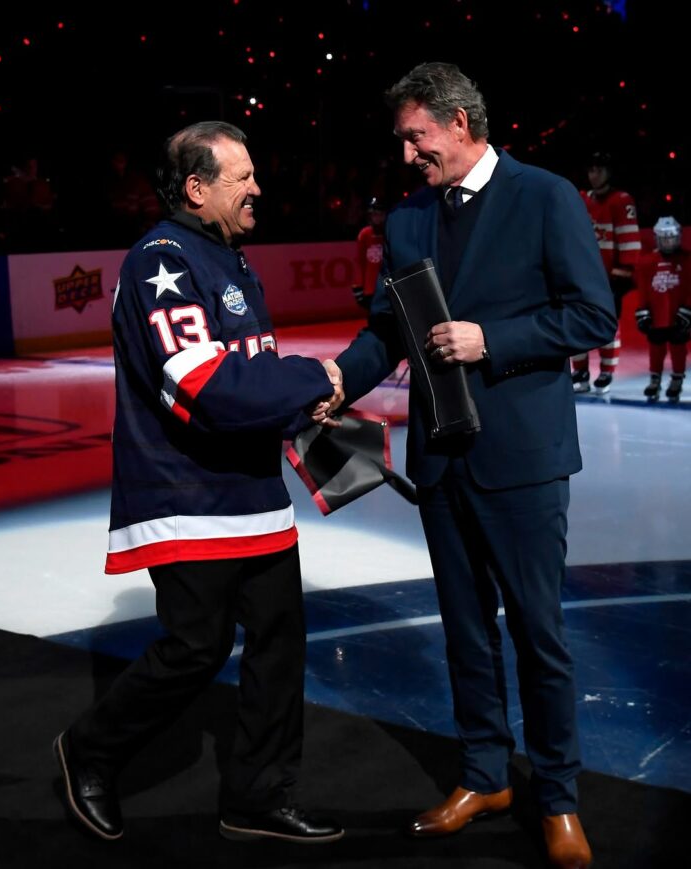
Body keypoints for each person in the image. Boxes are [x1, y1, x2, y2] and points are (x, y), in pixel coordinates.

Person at [330, 62, 616, 869]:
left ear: (460, 124)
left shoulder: (545, 195)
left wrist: (493, 338)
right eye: (402, 141)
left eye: (416, 137)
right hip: (441, 459)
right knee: (465, 631)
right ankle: (485, 773)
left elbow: (592, 312)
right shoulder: (409, 217)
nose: (408, 154)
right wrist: (338, 379)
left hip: (522, 460)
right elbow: (388, 327)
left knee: (538, 634)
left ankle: (557, 797)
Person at [53, 121, 344, 845]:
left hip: (251, 496)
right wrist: (317, 379)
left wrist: (302, 417)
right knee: (195, 647)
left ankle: (257, 795)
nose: (257, 188)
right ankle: (89, 747)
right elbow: (204, 384)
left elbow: (249, 374)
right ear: (196, 187)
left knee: (280, 643)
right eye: (241, 177)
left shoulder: (228, 256)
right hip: (183, 499)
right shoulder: (163, 259)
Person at [571, 152, 642, 394]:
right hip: (582, 275)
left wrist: (622, 274)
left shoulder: (621, 200)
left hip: (609, 278)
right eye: (591, 170)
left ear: (609, 172)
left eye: (599, 170)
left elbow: (629, 239)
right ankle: (580, 371)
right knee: (576, 321)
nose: (594, 175)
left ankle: (606, 372)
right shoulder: (582, 198)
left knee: (607, 324)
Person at [635, 216, 691, 401]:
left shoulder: (687, 260)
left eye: (671, 237)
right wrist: (642, 311)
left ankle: (677, 379)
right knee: (656, 347)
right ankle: (655, 379)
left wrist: (688, 309)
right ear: (657, 238)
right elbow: (643, 289)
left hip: (679, 314)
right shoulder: (647, 262)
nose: (668, 242)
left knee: (678, 347)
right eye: (664, 238)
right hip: (658, 314)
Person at [352, 197, 388, 310]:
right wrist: (357, 286)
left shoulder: (390, 232)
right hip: (370, 289)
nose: (376, 218)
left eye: (379, 214)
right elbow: (359, 261)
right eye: (374, 214)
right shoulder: (365, 234)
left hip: (387, 286)